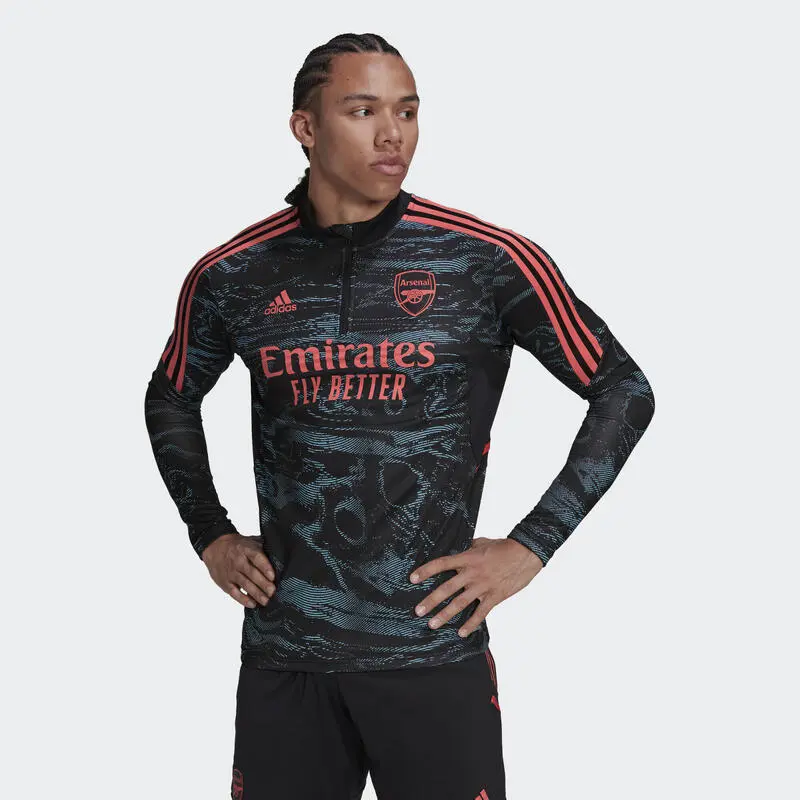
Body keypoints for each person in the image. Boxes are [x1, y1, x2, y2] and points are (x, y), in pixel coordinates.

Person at [144, 32, 655, 800]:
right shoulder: (234, 273)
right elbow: (171, 395)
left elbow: (622, 389)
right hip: (288, 657)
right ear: (305, 127)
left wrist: (531, 547)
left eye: (408, 111)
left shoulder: (486, 259)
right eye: (363, 111)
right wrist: (210, 534)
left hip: (432, 652)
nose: (393, 134)